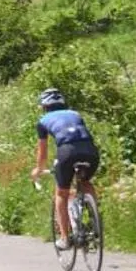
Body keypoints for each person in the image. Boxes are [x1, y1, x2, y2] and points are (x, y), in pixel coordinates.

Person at [31, 88, 101, 252]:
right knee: (85, 182)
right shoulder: (75, 114)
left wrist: (38, 169)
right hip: (90, 150)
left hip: (67, 151)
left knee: (61, 193)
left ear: (44, 107)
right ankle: (95, 220)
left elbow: (43, 151)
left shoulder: (43, 121)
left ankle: (64, 238)